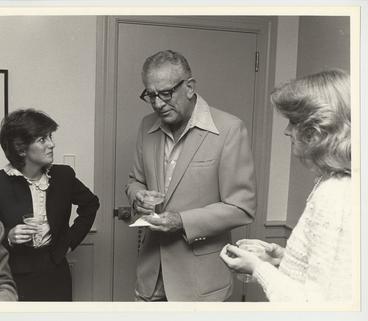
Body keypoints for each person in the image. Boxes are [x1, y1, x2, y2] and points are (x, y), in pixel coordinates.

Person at [125, 50, 257, 301]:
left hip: (201, 285)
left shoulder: (229, 129)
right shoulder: (146, 126)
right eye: (150, 95)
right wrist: (137, 195)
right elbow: (135, 180)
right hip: (150, 278)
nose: (158, 104)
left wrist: (181, 221)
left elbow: (242, 207)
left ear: (189, 87)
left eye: (165, 93)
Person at [220, 69, 352, 302]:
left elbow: (313, 307)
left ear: (316, 130)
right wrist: (282, 258)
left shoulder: (335, 194)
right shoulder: (334, 181)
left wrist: (257, 268)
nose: (287, 130)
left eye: (293, 122)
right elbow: (335, 273)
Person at [0, 109, 100, 301]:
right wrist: (8, 235)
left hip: (56, 273)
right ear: (21, 148)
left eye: (50, 137)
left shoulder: (64, 176)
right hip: (13, 276)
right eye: (42, 139)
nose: (52, 144)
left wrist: (69, 243)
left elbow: (91, 205)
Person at [0, 203, 18, 301]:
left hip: (56, 267)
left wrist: (67, 245)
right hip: (17, 266)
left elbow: (0, 284)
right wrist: (8, 235)